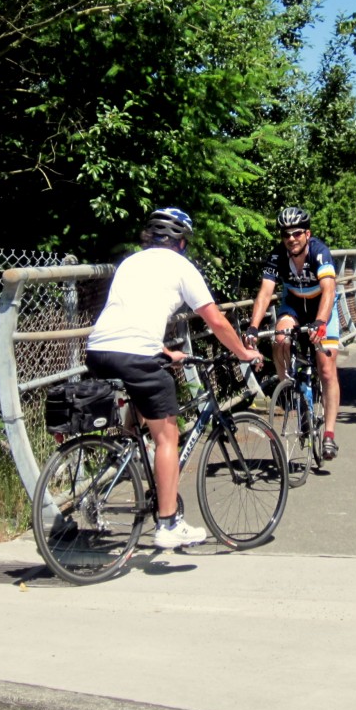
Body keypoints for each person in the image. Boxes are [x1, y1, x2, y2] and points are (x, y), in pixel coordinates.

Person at [85, 207, 263, 549]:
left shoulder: (130, 263)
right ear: (181, 242)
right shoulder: (181, 266)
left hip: (98, 350)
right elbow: (215, 320)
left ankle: (131, 451)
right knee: (169, 437)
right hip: (136, 355)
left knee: (145, 416)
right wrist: (243, 352)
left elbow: (127, 319)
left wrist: (165, 353)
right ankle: (167, 522)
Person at [244, 207, 341, 461]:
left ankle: (329, 434)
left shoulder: (319, 253)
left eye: (297, 233)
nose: (291, 239)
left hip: (322, 307)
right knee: (280, 337)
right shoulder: (278, 257)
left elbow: (329, 290)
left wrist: (320, 322)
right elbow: (265, 293)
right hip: (294, 305)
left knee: (327, 369)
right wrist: (253, 327)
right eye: (286, 235)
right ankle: (291, 389)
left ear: (307, 234)